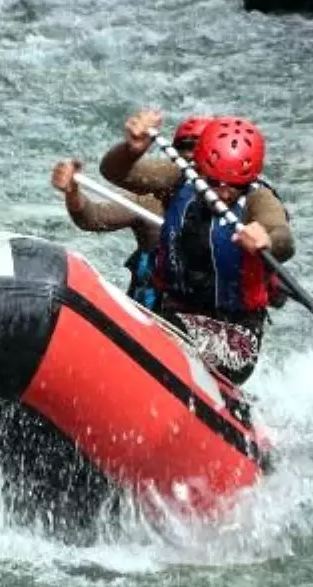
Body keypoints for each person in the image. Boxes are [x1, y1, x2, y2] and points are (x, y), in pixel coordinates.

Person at [100, 109, 294, 383]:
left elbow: (284, 238)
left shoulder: (258, 199)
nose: (224, 193)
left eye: (235, 185)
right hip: (173, 313)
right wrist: (131, 150)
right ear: (201, 167)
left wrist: (267, 239)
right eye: (215, 182)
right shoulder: (180, 177)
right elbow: (114, 172)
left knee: (162, 332)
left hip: (236, 338)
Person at [50, 116, 212, 309]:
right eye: (185, 158)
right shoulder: (149, 202)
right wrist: (72, 192)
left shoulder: (233, 213)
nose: (192, 176)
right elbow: (92, 218)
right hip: (151, 313)